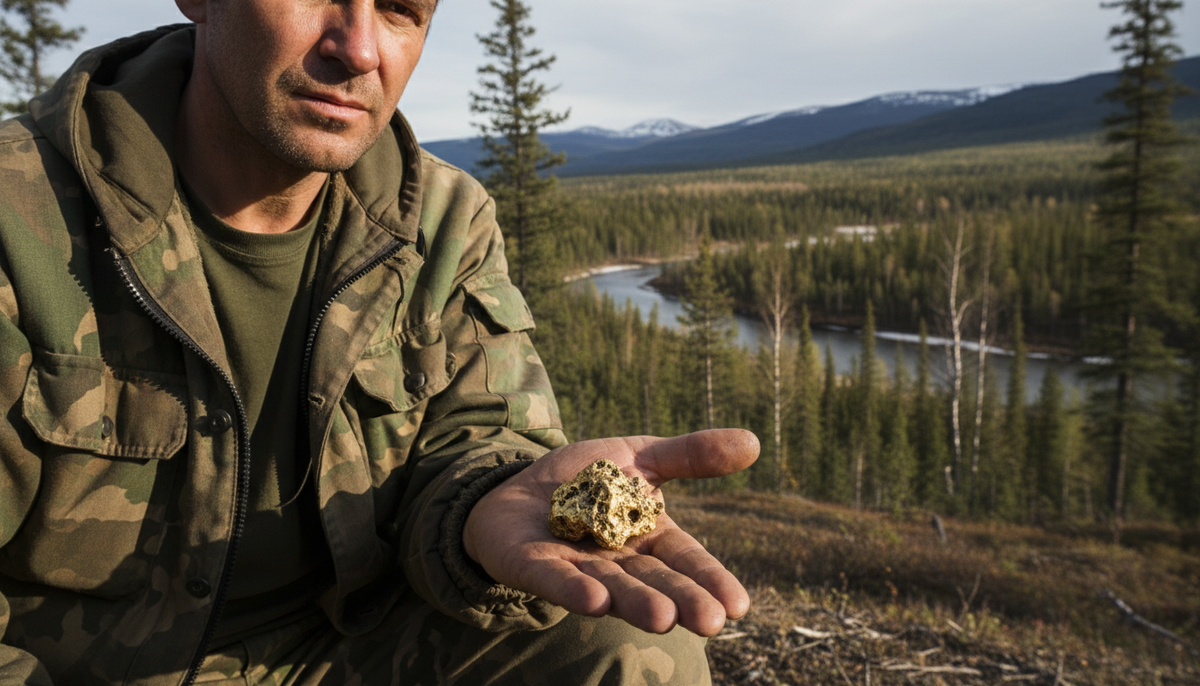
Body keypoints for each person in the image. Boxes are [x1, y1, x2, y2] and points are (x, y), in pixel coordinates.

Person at [0, 0, 759, 684]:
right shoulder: (20, 217)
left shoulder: (441, 220)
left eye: (400, 9)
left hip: (341, 650)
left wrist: (478, 507)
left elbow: (473, 436)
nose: (360, 48)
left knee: (634, 647)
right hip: (75, 668)